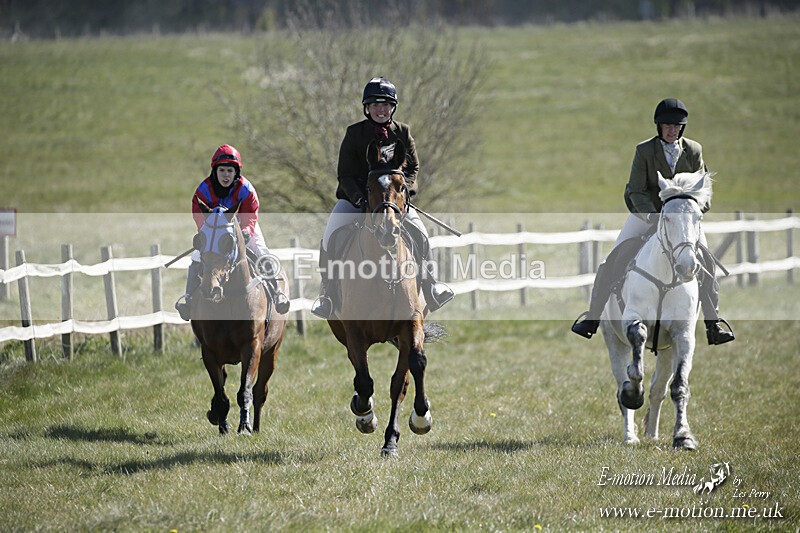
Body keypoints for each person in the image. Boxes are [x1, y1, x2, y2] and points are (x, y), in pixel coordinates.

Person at [571, 98, 735, 345]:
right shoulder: (644, 151)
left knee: (706, 263)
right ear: (659, 127)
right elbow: (635, 190)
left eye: (676, 126)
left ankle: (713, 324)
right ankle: (592, 318)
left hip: (683, 222)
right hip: (647, 215)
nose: (672, 131)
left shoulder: (694, 150)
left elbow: (705, 192)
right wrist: (653, 216)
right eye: (667, 126)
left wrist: (688, 213)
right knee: (612, 259)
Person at [311, 77, 454, 319]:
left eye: (386, 105)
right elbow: (345, 174)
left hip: (393, 202)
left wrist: (402, 193)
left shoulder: (403, 132)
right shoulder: (354, 134)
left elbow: (413, 168)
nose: (381, 109)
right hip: (356, 201)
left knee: (421, 234)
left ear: (392, 108)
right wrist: (360, 199)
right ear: (367, 108)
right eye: (375, 105)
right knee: (330, 236)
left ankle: (431, 285)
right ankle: (329, 293)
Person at [175, 144, 290, 320]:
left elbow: (251, 213)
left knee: (261, 251)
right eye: (222, 170)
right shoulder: (203, 189)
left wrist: (246, 230)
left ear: (236, 172)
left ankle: (277, 293)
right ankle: (188, 300)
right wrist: (204, 232)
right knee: (197, 257)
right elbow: (198, 212)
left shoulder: (246, 189)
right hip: (215, 230)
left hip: (243, 227)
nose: (226, 175)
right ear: (215, 171)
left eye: (230, 171)